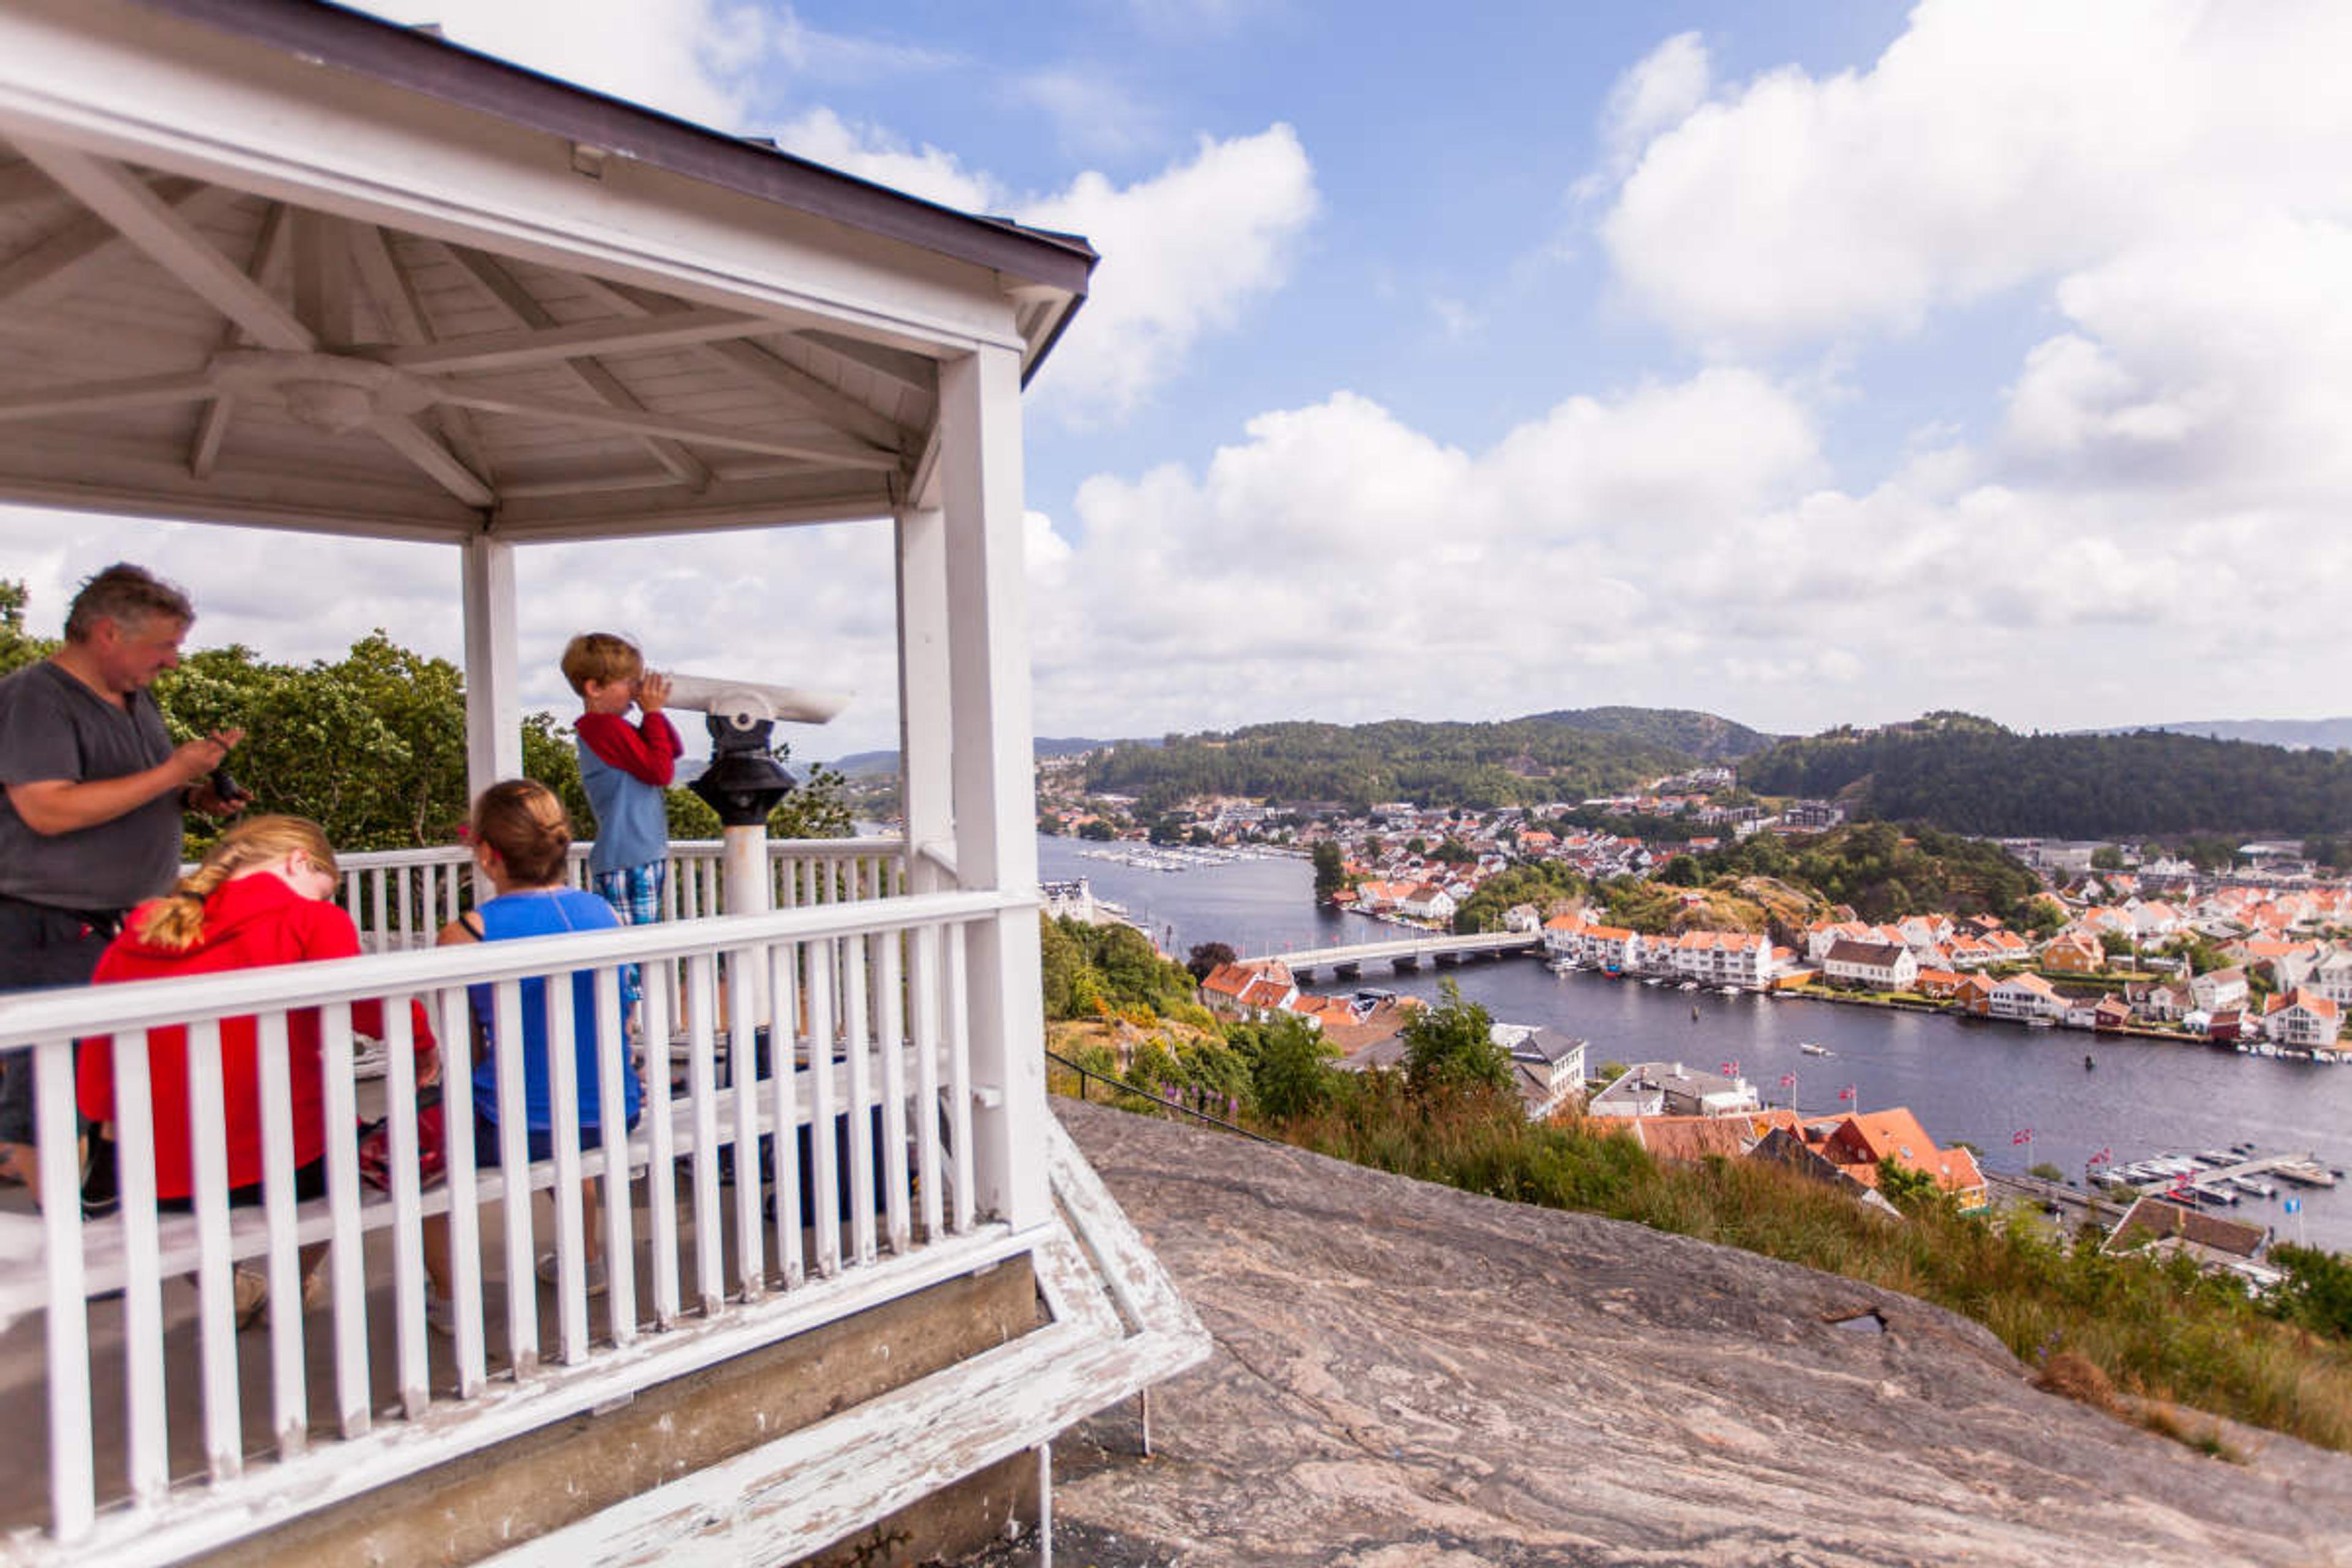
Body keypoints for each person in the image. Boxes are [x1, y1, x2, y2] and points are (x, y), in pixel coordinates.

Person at [77, 815, 438, 1329]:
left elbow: (98, 1055)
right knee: (358, 1173)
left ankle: (230, 1288)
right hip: (286, 1158)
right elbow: (368, 1004)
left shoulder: (145, 930)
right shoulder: (311, 922)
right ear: (297, 862)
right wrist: (421, 1041)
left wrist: (108, 1128)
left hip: (165, 1172)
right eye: (322, 890)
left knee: (187, 1229)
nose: (322, 903)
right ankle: (291, 1285)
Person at [0, 562, 245, 1208]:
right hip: (48, 922)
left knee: (123, 1077)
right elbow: (47, 808)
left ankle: (106, 1207)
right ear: (108, 633)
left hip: (130, 921)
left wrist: (193, 794)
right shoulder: (37, 698)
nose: (173, 662)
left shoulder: (135, 699)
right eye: (163, 646)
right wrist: (171, 774)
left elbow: (123, 793)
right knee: (51, 1089)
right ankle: (67, 1240)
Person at [424, 780, 641, 1327]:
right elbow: (623, 1014)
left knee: (418, 1157)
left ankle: (453, 1302)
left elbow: (465, 1047)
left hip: (520, 1125)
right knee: (562, 1111)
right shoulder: (604, 914)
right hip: (613, 1111)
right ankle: (587, 1262)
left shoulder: (467, 935)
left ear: (488, 854)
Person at [561, 632, 680, 932]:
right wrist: (652, 713)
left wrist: (654, 714)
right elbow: (660, 772)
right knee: (633, 953)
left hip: (634, 856)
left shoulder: (613, 729)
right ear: (594, 688)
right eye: (629, 682)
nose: (636, 690)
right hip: (630, 859)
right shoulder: (603, 729)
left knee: (635, 947)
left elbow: (672, 749)